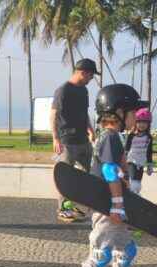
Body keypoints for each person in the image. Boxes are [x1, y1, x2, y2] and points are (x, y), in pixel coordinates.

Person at [68, 84, 151, 267]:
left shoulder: (114, 137)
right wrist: (116, 206)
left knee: (124, 252)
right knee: (100, 254)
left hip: (118, 206)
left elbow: (119, 162)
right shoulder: (110, 137)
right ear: (119, 112)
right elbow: (108, 171)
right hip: (108, 208)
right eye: (133, 112)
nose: (136, 117)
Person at [52, 58, 98, 222]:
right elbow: (54, 114)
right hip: (66, 141)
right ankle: (63, 210)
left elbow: (84, 113)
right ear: (82, 72)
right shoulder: (63, 90)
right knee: (65, 177)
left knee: (93, 173)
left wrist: (91, 130)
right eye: (91, 76)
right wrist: (56, 138)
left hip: (83, 140)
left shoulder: (83, 91)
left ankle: (85, 207)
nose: (91, 79)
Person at [125, 108, 154, 194]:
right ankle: (132, 197)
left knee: (138, 183)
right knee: (133, 183)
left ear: (148, 124)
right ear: (136, 123)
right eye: (139, 122)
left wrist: (150, 165)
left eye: (145, 122)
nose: (142, 125)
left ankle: (135, 197)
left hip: (141, 164)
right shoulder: (132, 136)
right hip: (131, 162)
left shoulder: (148, 138)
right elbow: (126, 149)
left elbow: (149, 152)